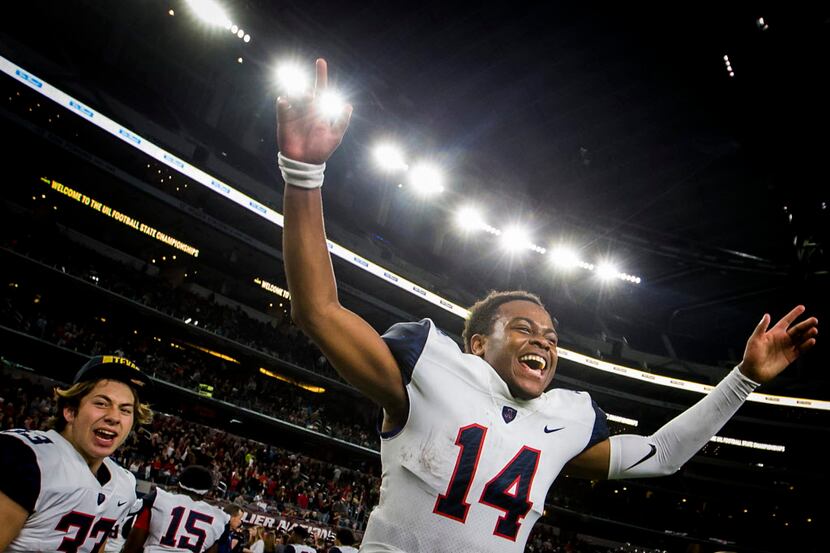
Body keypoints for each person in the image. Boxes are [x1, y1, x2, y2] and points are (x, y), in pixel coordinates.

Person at [277, 59, 820, 552]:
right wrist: (303, 174)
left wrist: (744, 378)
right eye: (523, 328)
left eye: (552, 336)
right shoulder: (431, 369)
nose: (543, 339)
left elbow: (664, 454)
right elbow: (318, 310)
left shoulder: (565, 421)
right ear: (477, 344)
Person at [0, 355, 154, 552]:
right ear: (70, 411)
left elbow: (94, 544)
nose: (114, 417)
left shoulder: (124, 484)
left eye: (125, 410)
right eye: (101, 403)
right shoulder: (28, 457)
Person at [123, 465, 230, 553]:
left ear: (178, 485)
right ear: (207, 493)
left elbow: (133, 543)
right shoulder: (220, 518)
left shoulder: (158, 499)